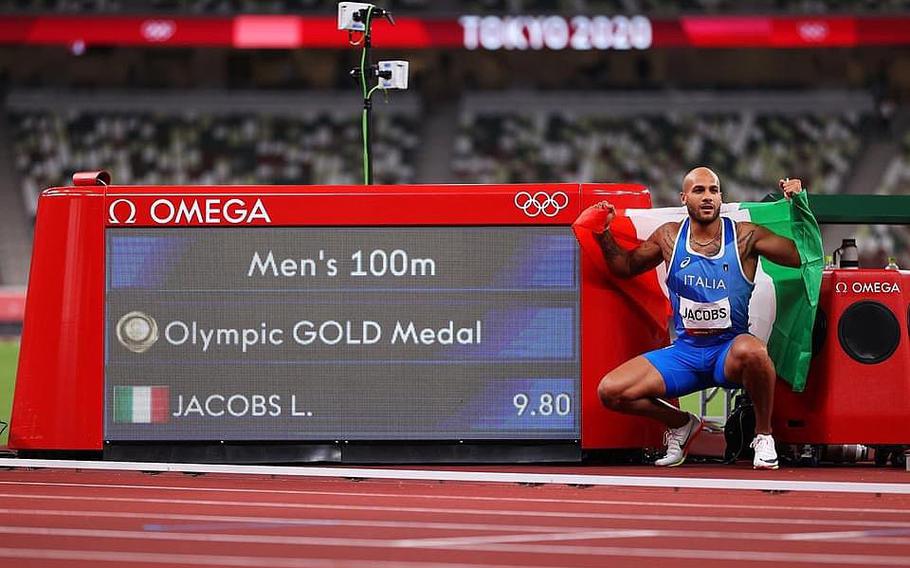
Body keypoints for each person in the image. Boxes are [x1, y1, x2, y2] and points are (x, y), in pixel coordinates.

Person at [590, 167, 803, 469]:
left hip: (728, 351)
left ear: (720, 197)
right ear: (684, 198)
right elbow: (625, 266)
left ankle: (764, 435)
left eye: (713, 191)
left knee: (754, 351)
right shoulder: (668, 237)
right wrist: (602, 233)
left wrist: (799, 207)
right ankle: (681, 424)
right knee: (610, 391)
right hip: (686, 353)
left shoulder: (745, 237)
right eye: (699, 190)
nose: (707, 197)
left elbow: (799, 256)